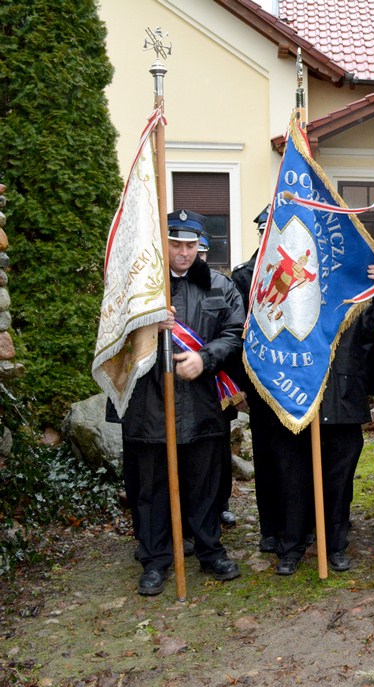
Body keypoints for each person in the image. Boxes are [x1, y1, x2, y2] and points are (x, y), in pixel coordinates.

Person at [117, 209, 244, 595]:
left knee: (204, 483)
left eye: (190, 245)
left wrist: (203, 358)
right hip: (150, 404)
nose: (184, 253)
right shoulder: (139, 287)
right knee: (152, 486)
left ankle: (209, 550)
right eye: (176, 244)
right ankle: (155, 559)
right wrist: (147, 327)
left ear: (199, 246)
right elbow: (114, 337)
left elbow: (236, 331)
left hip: (202, 403)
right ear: (163, 245)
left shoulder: (220, 286)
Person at [274, 273, 374, 575]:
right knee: (294, 482)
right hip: (299, 404)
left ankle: (335, 545)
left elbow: (370, 334)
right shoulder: (291, 301)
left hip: (343, 405)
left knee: (338, 485)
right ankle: (291, 548)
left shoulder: (351, 302)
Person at [227, 205, 285, 554]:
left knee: (297, 457)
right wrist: (242, 387)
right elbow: (236, 334)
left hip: (296, 379)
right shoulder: (244, 276)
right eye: (264, 231)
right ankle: (270, 527)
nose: (269, 237)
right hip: (260, 382)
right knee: (266, 457)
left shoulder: (299, 271)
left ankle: (301, 523)